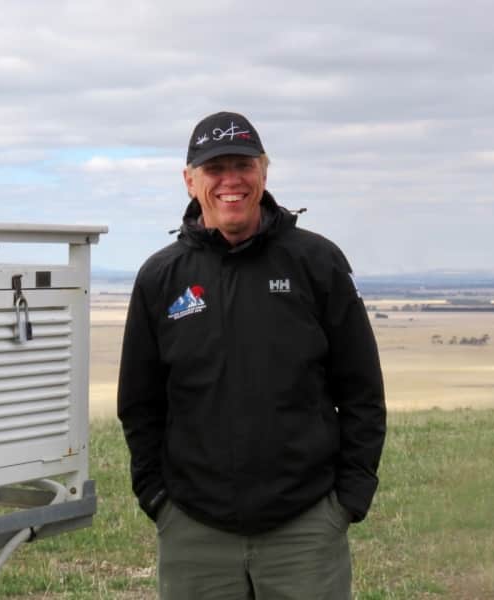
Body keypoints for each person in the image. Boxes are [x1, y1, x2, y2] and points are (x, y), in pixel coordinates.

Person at [117, 111, 386, 599]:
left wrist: (349, 498)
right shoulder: (160, 278)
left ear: (264, 171)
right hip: (193, 531)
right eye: (215, 168)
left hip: (305, 527)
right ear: (190, 180)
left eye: (242, 165)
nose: (231, 181)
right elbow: (139, 404)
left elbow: (362, 391)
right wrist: (156, 498)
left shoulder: (316, 263)